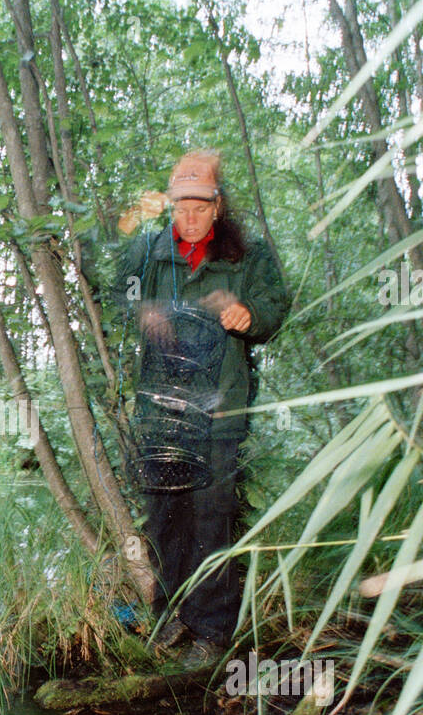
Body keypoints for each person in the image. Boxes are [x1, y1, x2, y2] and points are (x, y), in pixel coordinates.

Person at [108, 149, 290, 664]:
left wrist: (246, 314)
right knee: (165, 513)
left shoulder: (246, 256)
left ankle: (211, 630)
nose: (188, 220)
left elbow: (276, 308)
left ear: (218, 207)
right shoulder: (148, 251)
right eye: (179, 210)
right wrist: (141, 309)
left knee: (212, 516)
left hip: (219, 409)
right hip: (162, 408)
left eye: (199, 209)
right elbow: (114, 287)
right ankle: (169, 615)